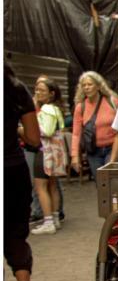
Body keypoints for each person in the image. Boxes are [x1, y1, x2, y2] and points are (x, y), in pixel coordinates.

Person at [5, 63, 46, 281]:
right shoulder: (16, 88)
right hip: (12, 169)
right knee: (15, 233)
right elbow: (33, 138)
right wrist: (15, 130)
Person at [31, 78, 68, 235]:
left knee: (41, 187)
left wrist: (29, 127)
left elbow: (46, 131)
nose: (38, 93)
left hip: (45, 152)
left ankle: (48, 222)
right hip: (55, 153)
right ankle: (54, 218)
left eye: (42, 90)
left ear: (51, 94)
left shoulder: (46, 109)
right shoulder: (56, 109)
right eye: (36, 89)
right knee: (52, 185)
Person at [70, 71, 118, 181]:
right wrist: (75, 156)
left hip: (112, 147)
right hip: (93, 151)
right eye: (84, 85)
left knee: (112, 181)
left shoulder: (112, 102)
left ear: (98, 86)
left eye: (90, 84)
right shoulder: (80, 107)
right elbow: (76, 134)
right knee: (101, 184)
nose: (86, 87)